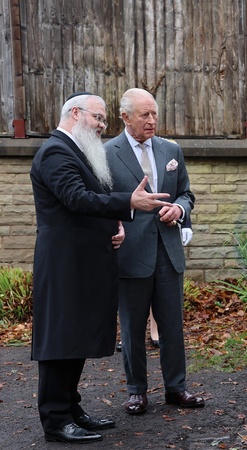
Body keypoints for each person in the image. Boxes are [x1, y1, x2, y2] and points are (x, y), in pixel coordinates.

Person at [30, 92, 173, 443]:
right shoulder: (55, 152)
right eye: (97, 117)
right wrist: (130, 203)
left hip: (81, 262)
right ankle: (55, 419)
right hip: (64, 263)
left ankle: (70, 407)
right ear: (75, 113)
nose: (101, 125)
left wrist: (115, 226)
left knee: (75, 337)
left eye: (104, 119)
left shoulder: (74, 151)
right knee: (60, 340)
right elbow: (76, 199)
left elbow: (89, 203)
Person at [105, 88, 204, 415]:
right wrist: (116, 224)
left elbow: (186, 194)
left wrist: (179, 208)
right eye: (144, 115)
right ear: (125, 117)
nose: (152, 120)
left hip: (168, 252)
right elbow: (101, 202)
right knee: (132, 327)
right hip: (130, 252)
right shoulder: (107, 154)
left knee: (172, 325)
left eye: (154, 113)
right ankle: (137, 391)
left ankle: (177, 388)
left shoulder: (171, 150)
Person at [148, 215, 192, 347]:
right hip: (130, 229)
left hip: (162, 222)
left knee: (156, 279)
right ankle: (128, 334)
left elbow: (180, 201)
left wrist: (185, 223)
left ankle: (154, 328)